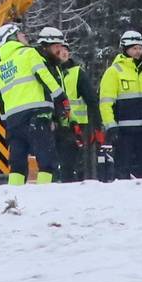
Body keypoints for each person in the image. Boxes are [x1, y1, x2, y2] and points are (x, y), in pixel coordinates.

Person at [0, 23, 63, 185]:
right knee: (46, 159)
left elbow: (0, 100)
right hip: (36, 114)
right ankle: (45, 193)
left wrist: (5, 121)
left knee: (17, 164)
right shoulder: (28, 53)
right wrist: (60, 97)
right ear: (12, 37)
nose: (25, 37)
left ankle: (15, 196)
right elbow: (45, 76)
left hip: (14, 121)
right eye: (21, 34)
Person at [99, 29, 142, 180]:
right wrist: (110, 126)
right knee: (123, 173)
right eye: (133, 48)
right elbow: (106, 103)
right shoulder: (114, 72)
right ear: (125, 49)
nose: (137, 52)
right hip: (125, 133)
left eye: (139, 48)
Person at [36, 27, 95, 182]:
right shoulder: (49, 68)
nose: (62, 52)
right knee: (52, 161)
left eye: (65, 49)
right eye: (59, 49)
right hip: (53, 121)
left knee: (70, 163)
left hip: (72, 124)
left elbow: (91, 99)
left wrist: (93, 124)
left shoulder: (75, 72)